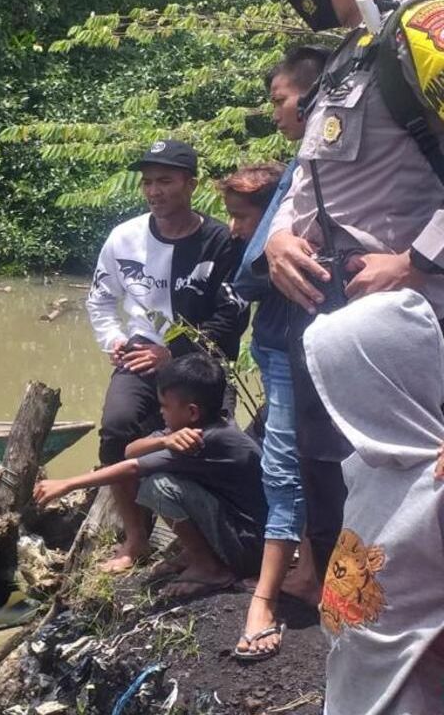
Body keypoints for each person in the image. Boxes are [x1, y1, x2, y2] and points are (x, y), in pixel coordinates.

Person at [264, 0, 444, 588]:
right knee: (336, 486)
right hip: (330, 317)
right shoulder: (351, 51)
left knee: (415, 506)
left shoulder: (425, 32)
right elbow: (309, 174)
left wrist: (417, 260)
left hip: (406, 329)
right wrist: (280, 235)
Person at [85, 139, 247, 572]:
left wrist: (172, 352)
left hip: (202, 363)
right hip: (140, 354)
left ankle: (204, 541)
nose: (154, 191)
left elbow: (232, 315)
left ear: (190, 184)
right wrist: (114, 341)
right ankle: (135, 538)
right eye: (148, 182)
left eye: (166, 181)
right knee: (117, 429)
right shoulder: (124, 238)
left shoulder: (221, 240)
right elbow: (100, 300)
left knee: (206, 444)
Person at [226, 47, 330, 662]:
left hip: (299, 341)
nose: (276, 113)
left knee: (286, 465)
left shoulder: (309, 170)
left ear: (311, 96)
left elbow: (249, 272)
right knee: (305, 459)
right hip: (286, 339)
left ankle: (263, 602)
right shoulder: (308, 165)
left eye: (280, 99)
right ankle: (308, 571)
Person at [301, 290, 444, 714]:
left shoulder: (435, 487)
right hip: (357, 682)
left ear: (380, 391)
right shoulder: (365, 466)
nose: (327, 410)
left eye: (338, 390)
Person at [34, 353, 266, 598]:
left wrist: (68, 484)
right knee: (159, 475)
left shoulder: (207, 439)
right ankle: (197, 553)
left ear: (192, 411)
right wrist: (164, 440)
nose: (161, 412)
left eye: (165, 406)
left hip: (250, 546)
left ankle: (209, 568)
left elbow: (133, 467)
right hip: (239, 533)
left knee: (158, 486)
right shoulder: (191, 427)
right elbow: (129, 450)